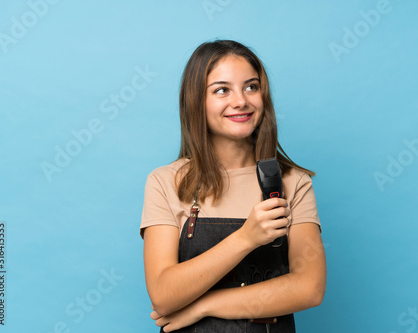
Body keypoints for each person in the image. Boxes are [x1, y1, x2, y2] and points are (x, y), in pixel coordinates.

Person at [140, 40, 326, 332]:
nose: (241, 101)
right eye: (222, 90)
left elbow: (309, 288)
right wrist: (246, 238)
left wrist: (203, 305)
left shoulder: (292, 182)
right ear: (196, 101)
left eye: (251, 87)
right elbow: (164, 296)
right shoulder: (166, 182)